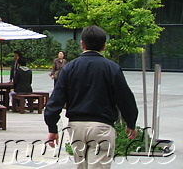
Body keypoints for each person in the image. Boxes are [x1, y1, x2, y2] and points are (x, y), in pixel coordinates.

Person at [45, 25, 138, 168]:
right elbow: (125, 98)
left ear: (82, 44)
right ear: (104, 46)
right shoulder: (112, 68)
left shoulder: (69, 68)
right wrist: (130, 122)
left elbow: (55, 100)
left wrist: (52, 128)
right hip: (102, 126)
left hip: (76, 126)